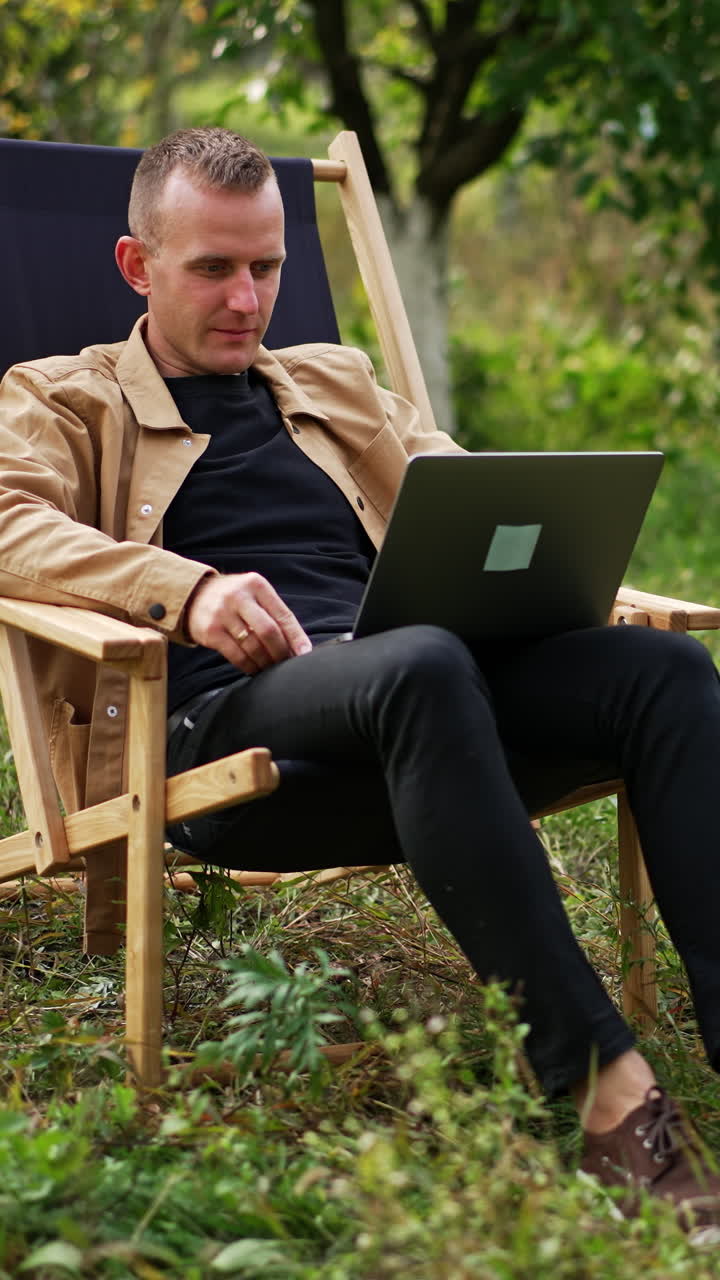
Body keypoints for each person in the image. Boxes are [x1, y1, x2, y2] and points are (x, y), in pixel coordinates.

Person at [0, 126, 719, 1239]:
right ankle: (606, 1095)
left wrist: (534, 544)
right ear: (139, 267)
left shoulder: (334, 381)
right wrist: (183, 589)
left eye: (269, 266)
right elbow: (8, 524)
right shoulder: (62, 396)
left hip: (419, 694)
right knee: (421, 664)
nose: (249, 299)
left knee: (664, 669)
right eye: (214, 269)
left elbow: (452, 488)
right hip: (226, 727)